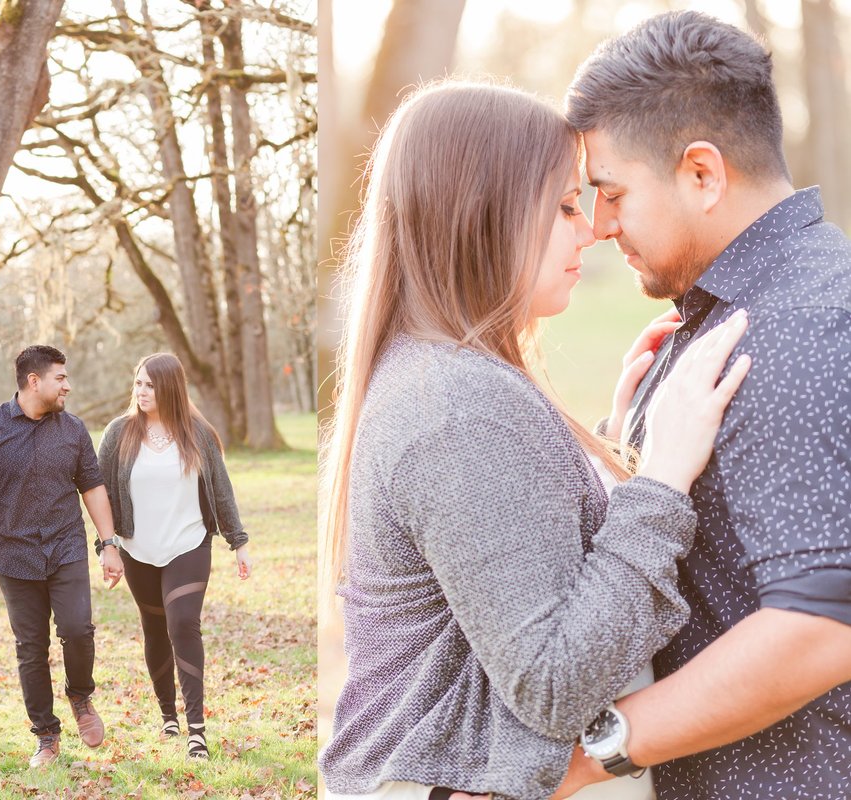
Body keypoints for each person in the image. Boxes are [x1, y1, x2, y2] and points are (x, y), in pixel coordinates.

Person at [317, 80, 752, 800]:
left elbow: (514, 566)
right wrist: (663, 477)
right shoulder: (457, 406)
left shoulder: (448, 378)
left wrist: (606, 450)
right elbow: (554, 684)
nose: (588, 230)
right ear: (479, 212)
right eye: (562, 205)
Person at [555, 11, 851, 799]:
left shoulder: (797, 325)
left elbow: (822, 624)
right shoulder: (731, 310)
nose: (599, 224)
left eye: (611, 192)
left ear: (701, 173)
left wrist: (590, 757)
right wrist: (623, 440)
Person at [0, 345, 125, 768]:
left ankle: (81, 697)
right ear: (35, 381)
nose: (67, 385)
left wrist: (109, 545)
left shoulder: (73, 430)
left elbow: (92, 487)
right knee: (30, 648)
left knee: (77, 628)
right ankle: (46, 736)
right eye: (60, 378)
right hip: (14, 555)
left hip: (66, 547)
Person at [97, 352, 253, 760]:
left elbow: (221, 488)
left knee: (183, 623)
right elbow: (101, 496)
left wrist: (239, 542)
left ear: (169, 386)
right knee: (154, 628)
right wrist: (107, 546)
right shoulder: (119, 433)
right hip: (138, 549)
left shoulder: (197, 433)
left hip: (188, 543)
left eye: (149, 384)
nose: (141, 391)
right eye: (138, 383)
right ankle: (168, 712)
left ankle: (196, 730)